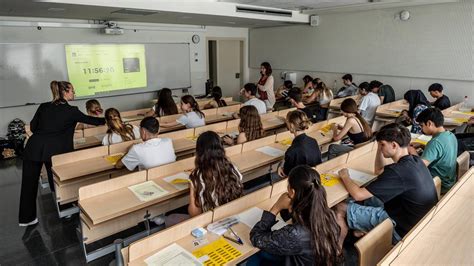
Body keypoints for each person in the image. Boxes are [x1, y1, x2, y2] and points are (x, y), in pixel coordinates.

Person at [19, 81, 105, 226]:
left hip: (33, 148)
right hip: (56, 152)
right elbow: (93, 121)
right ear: (65, 92)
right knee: (58, 182)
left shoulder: (43, 106)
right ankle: (64, 209)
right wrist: (111, 118)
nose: (74, 93)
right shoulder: (72, 111)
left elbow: (33, 127)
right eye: (72, 91)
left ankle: (27, 219)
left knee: (29, 184)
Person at [334, 123, 438, 242]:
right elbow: (379, 171)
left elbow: (358, 195)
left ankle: (337, 252)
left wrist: (345, 176)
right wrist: (380, 148)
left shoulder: (397, 172)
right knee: (370, 198)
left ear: (394, 145)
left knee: (340, 207)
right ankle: (362, 228)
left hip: (402, 230)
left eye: (382, 144)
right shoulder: (415, 160)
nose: (380, 147)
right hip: (416, 222)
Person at [249, 165, 342, 266]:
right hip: (314, 259)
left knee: (257, 255)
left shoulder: (295, 234)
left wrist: (275, 208)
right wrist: (292, 207)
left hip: (296, 256)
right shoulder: (328, 214)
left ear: (292, 192)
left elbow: (256, 238)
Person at [188, 131, 243, 217]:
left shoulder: (197, 176)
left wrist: (192, 188)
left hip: (210, 220)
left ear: (199, 151)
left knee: (170, 218)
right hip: (233, 214)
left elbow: (194, 213)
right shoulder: (233, 168)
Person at [409, 108, 457, 193]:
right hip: (449, 180)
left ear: (429, 123)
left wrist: (412, 150)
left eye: (421, 126)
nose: (421, 129)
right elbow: (440, 153)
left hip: (439, 185)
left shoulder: (435, 142)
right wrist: (422, 145)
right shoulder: (450, 135)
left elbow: (420, 167)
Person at [278, 110, 322, 178]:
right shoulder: (313, 141)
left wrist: (280, 167)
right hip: (314, 176)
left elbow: (286, 173)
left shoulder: (292, 151)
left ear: (292, 125)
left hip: (300, 182)